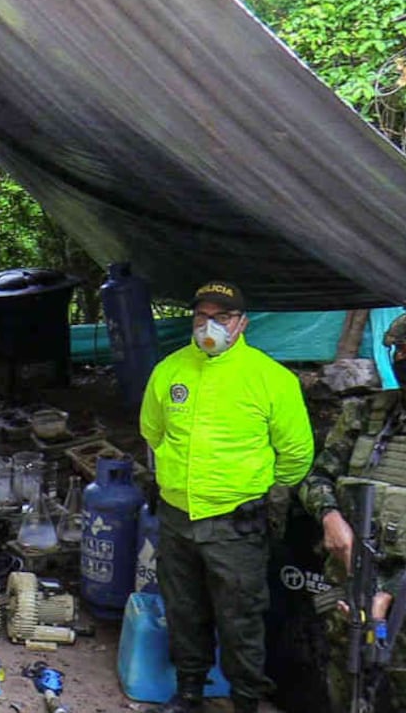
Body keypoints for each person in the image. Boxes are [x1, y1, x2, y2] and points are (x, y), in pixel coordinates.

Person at [139, 281, 314, 713]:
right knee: (184, 610)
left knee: (241, 619)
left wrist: (264, 494)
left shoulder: (271, 378)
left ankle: (246, 701)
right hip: (178, 518)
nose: (209, 326)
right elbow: (153, 431)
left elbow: (297, 453)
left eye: (221, 318)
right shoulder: (170, 370)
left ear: (242, 323)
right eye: (202, 317)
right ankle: (190, 692)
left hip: (236, 523)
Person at [297, 310, 406, 711]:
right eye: (402, 350)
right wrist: (331, 517)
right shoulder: (365, 416)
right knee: (349, 693)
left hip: (395, 598)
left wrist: (388, 598)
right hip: (352, 589)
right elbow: (315, 480)